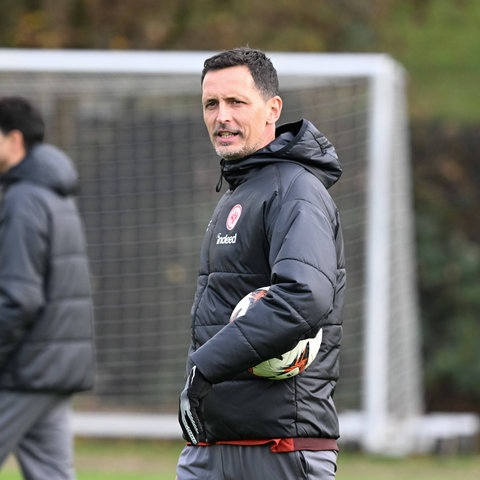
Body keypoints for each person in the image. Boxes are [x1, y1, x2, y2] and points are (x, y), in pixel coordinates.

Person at [177, 47, 346, 479]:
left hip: (279, 449)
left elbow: (303, 297)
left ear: (273, 109)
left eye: (236, 102)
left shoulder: (296, 190)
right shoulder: (240, 191)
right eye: (211, 104)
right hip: (213, 443)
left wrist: (206, 366)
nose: (221, 116)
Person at [0, 96, 95, 479]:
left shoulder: (24, 200)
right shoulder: (53, 193)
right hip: (51, 368)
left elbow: (18, 299)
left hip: (27, 369)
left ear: (14, 140)